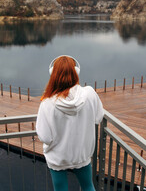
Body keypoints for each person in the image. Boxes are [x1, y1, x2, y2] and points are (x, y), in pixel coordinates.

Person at [36, 55, 104, 191]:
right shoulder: (90, 94)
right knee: (88, 187)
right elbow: (98, 117)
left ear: (53, 75)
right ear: (76, 72)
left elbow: (45, 137)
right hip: (81, 154)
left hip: (58, 157)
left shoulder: (47, 103)